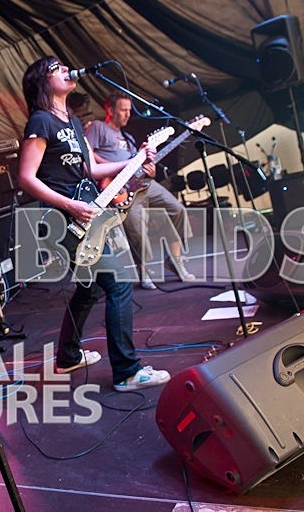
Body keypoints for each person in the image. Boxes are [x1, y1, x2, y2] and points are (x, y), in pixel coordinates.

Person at [17, 56, 170, 391]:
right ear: (43, 81)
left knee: (92, 288)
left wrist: (134, 160)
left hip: (81, 214)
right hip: (62, 219)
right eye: (57, 68)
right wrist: (70, 204)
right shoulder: (41, 121)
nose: (67, 70)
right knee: (119, 282)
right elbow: (26, 178)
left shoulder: (71, 121)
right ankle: (128, 372)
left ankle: (68, 356)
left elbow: (88, 171)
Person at [85, 91, 195, 290]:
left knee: (177, 209)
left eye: (129, 110)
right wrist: (117, 167)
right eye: (123, 110)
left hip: (143, 183)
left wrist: (150, 170)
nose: (128, 114)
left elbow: (141, 165)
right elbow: (88, 156)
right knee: (138, 230)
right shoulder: (98, 128)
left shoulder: (127, 136)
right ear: (110, 109)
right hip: (122, 190)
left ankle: (176, 260)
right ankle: (144, 272)